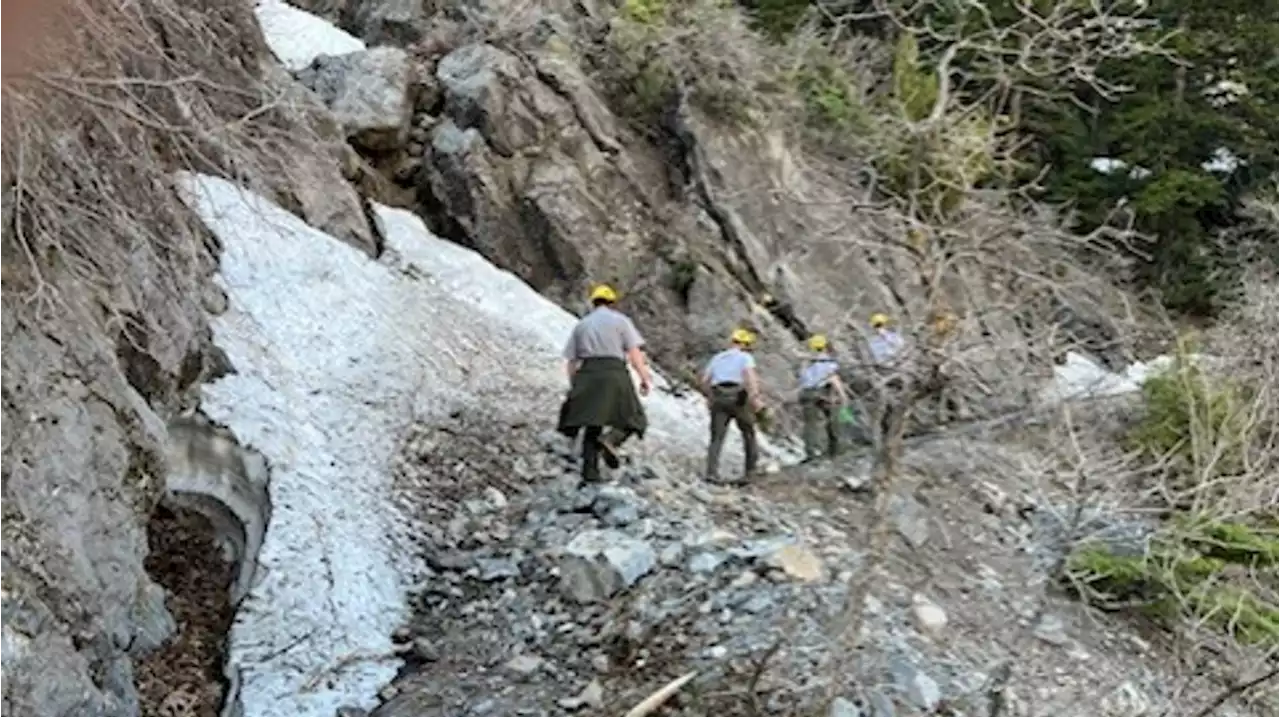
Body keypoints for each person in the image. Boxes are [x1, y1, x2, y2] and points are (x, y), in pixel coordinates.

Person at [557, 284, 652, 482]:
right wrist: (644, 377)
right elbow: (634, 353)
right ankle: (611, 440)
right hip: (614, 372)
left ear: (593, 302)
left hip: (588, 374)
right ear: (612, 303)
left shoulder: (582, 325)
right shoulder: (621, 321)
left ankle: (589, 474)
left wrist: (576, 386)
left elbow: (571, 362)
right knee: (634, 417)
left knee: (593, 423)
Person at [700, 328, 764, 483]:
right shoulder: (745, 357)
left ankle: (711, 472)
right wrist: (755, 397)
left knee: (717, 437)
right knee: (748, 432)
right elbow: (750, 377)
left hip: (718, 396)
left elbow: (705, 380)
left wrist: (710, 397)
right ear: (746, 344)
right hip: (738, 396)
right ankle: (750, 472)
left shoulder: (718, 358)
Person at [798, 333, 848, 462]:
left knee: (810, 425)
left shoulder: (805, 362)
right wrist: (842, 395)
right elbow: (833, 378)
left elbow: (802, 378)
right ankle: (835, 450)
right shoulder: (828, 361)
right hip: (823, 392)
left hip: (807, 393)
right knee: (833, 419)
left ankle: (811, 453)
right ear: (825, 346)